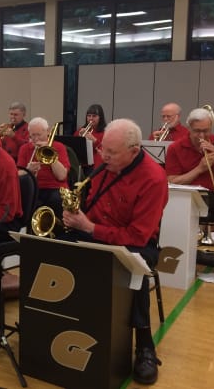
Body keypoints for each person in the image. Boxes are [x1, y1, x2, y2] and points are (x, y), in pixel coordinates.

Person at [62, 118, 168, 385]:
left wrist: (89, 227)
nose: (104, 156)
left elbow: (137, 236)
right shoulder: (106, 165)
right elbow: (94, 207)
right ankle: (63, 321)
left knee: (136, 269)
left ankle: (144, 346)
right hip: (97, 231)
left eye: (111, 152)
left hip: (136, 244)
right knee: (55, 248)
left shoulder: (154, 179)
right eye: (102, 150)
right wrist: (76, 215)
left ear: (133, 151)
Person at [17, 117, 70, 218]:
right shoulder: (25, 148)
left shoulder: (59, 147)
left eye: (39, 135)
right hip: (34, 188)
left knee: (56, 201)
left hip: (55, 188)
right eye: (33, 135)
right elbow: (18, 176)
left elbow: (62, 176)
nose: (36, 139)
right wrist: (28, 171)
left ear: (48, 132)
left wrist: (50, 153)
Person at [165, 107, 214, 190]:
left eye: (206, 131)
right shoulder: (175, 148)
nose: (202, 135)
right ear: (189, 129)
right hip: (187, 198)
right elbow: (172, 181)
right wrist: (199, 169)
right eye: (197, 131)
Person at [74, 104, 106, 171]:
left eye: (94, 116)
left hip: (95, 166)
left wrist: (94, 140)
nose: (91, 118)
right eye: (89, 116)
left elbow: (105, 151)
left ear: (100, 118)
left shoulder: (105, 133)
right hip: (80, 164)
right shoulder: (80, 131)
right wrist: (79, 138)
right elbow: (73, 148)